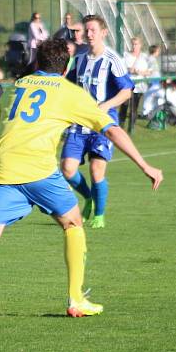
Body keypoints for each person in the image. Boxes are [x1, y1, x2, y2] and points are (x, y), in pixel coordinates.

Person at [0, 39, 163, 325]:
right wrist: (145, 165)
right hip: (38, 170)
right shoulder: (69, 93)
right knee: (73, 222)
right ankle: (76, 299)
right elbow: (111, 131)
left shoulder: (17, 87)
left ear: (37, 64)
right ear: (65, 69)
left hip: (2, 168)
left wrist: (3, 151)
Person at [61, 14, 134, 229]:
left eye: (93, 30)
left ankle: (99, 215)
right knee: (67, 169)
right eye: (87, 30)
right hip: (79, 122)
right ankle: (89, 197)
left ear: (104, 32)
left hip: (103, 122)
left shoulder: (113, 60)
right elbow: (68, 85)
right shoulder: (81, 58)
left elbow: (127, 91)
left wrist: (106, 105)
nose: (89, 34)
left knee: (96, 169)